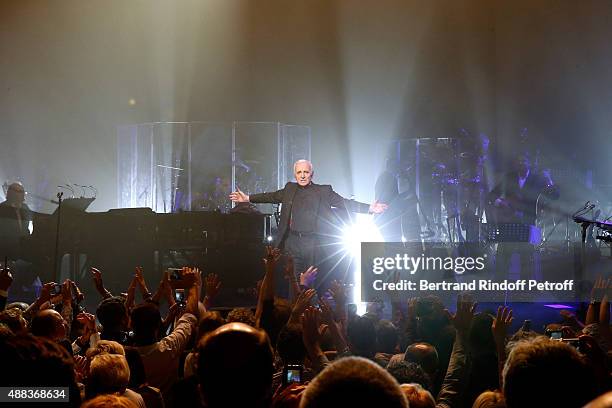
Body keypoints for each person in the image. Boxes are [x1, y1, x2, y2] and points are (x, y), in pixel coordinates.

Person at [229, 159, 387, 276]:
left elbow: (343, 203)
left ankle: (310, 315)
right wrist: (248, 198)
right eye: (299, 172)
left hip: (313, 243)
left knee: (311, 283)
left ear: (311, 174)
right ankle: (295, 318)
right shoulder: (290, 189)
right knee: (294, 282)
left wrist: (369, 208)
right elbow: (271, 196)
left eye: (305, 172)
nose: (302, 176)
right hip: (292, 242)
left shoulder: (323, 191)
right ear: (295, 174)